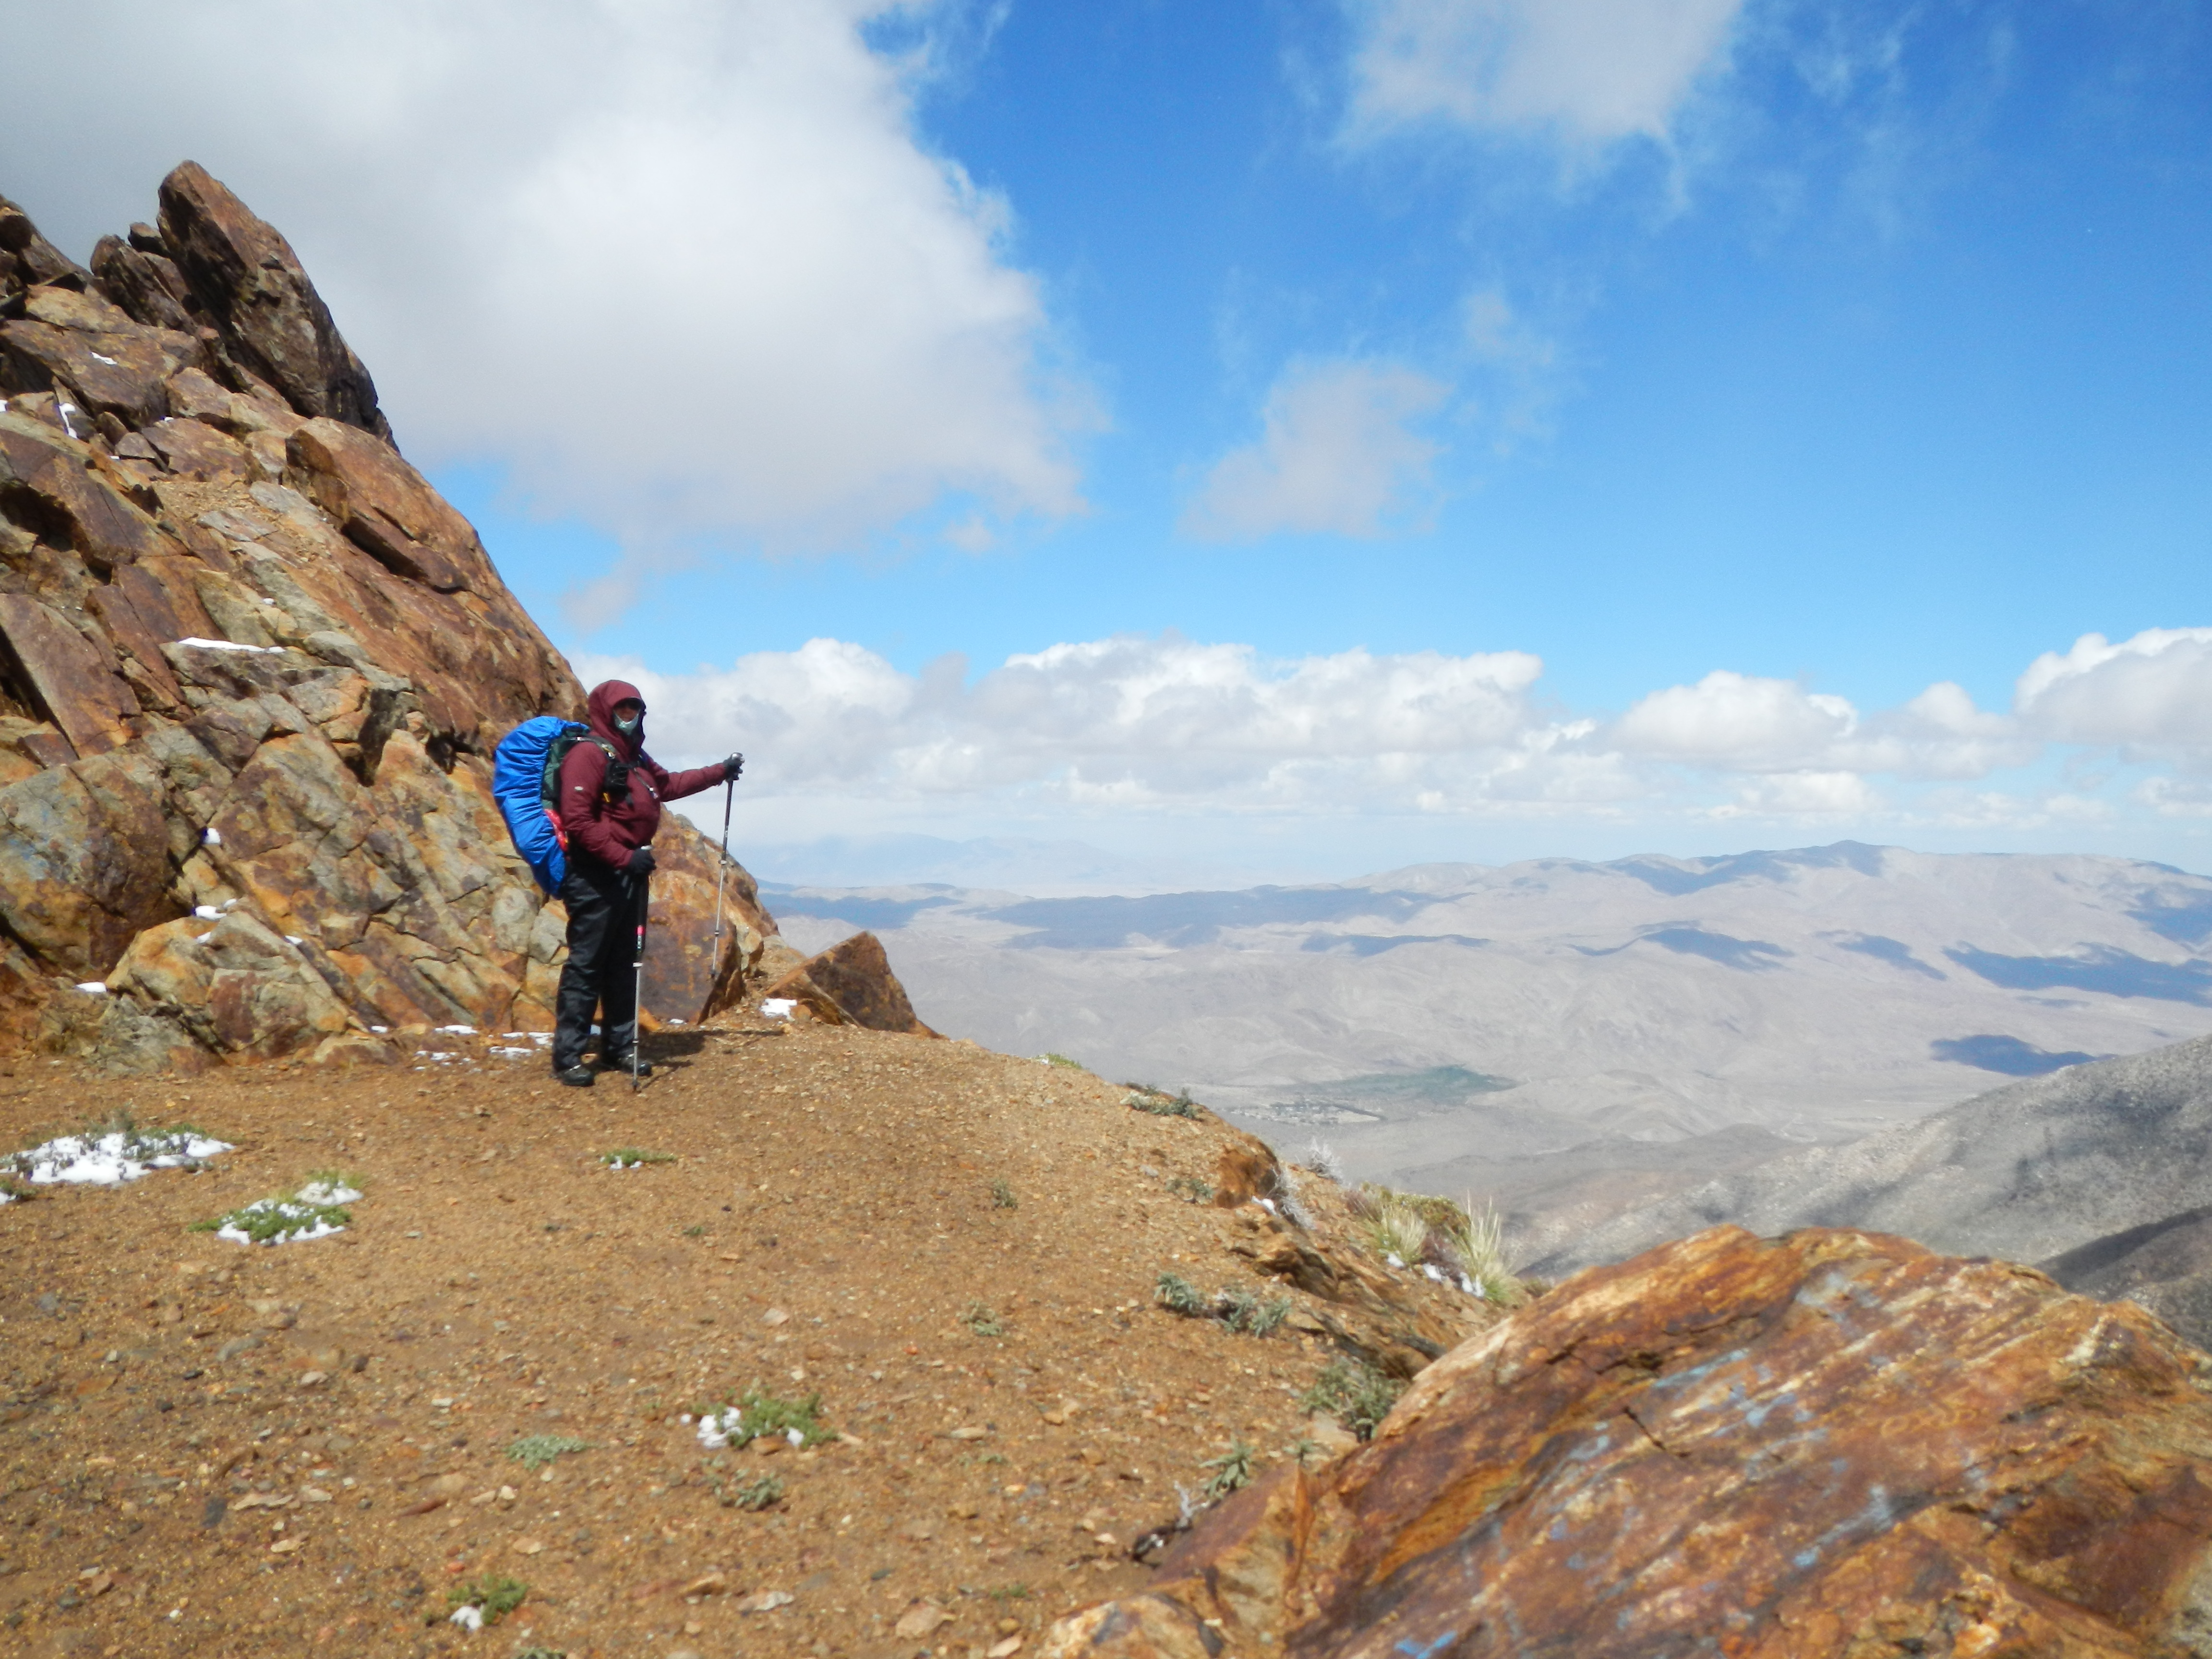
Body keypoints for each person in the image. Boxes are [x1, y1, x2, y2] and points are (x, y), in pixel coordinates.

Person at [551, 678, 742, 1087]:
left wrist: (719, 773)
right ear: (605, 711)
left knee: (625, 962)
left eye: (635, 709)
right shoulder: (587, 755)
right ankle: (568, 1057)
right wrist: (624, 857)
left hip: (632, 872)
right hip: (595, 875)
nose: (629, 715)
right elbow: (578, 820)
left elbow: (667, 785)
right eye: (622, 708)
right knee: (588, 963)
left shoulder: (634, 756)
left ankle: (619, 1047)